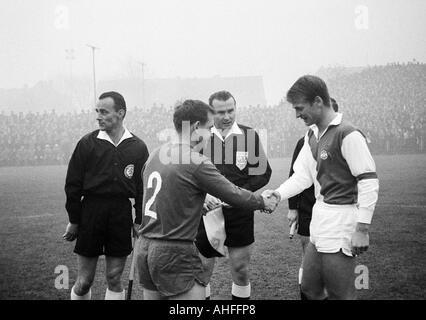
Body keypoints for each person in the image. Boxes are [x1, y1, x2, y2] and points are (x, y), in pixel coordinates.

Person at [136, 99, 278, 300]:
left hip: (145, 247)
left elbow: (166, 195)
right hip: (174, 250)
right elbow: (234, 194)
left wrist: (195, 202)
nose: (211, 133)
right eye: (209, 128)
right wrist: (263, 202)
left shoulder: (155, 154)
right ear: (195, 127)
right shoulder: (194, 160)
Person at [263, 76, 379, 300]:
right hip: (319, 217)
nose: (297, 114)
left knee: (341, 294)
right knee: (310, 288)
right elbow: (303, 176)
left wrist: (362, 229)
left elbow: (368, 181)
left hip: (341, 220)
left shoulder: (349, 134)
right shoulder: (312, 135)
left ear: (317, 102)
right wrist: (279, 194)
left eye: (299, 108)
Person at [63, 91, 149, 300]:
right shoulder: (87, 143)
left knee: (114, 278)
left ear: (120, 113)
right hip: (91, 211)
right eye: (97, 111)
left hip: (120, 213)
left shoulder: (137, 147)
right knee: (84, 282)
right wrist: (74, 220)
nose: (98, 116)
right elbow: (72, 185)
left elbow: (142, 189)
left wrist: (138, 220)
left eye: (104, 112)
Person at [195, 90, 272, 300]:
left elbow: (263, 173)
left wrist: (237, 194)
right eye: (221, 112)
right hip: (206, 212)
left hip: (239, 211)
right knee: (202, 270)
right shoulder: (199, 138)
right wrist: (204, 195)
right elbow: (188, 175)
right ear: (211, 113)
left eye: (231, 110)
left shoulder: (249, 136)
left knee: (240, 269)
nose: (227, 116)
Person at [287, 97, 339, 300]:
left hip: (336, 209)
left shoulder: (344, 137)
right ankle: (307, 294)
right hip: (309, 206)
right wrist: (293, 208)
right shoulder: (305, 141)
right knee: (308, 254)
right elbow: (295, 175)